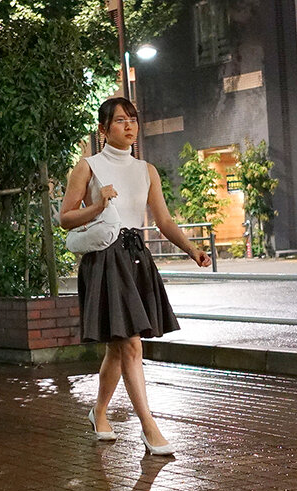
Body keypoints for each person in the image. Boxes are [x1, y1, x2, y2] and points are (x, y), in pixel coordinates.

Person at [59, 97, 211, 456]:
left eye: (133, 119)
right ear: (103, 129)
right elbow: (65, 218)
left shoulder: (147, 170)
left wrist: (192, 250)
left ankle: (98, 412)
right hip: (104, 259)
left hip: (136, 258)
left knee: (119, 347)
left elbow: (164, 220)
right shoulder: (88, 167)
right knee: (130, 344)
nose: (129, 126)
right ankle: (149, 426)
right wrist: (98, 206)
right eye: (120, 120)